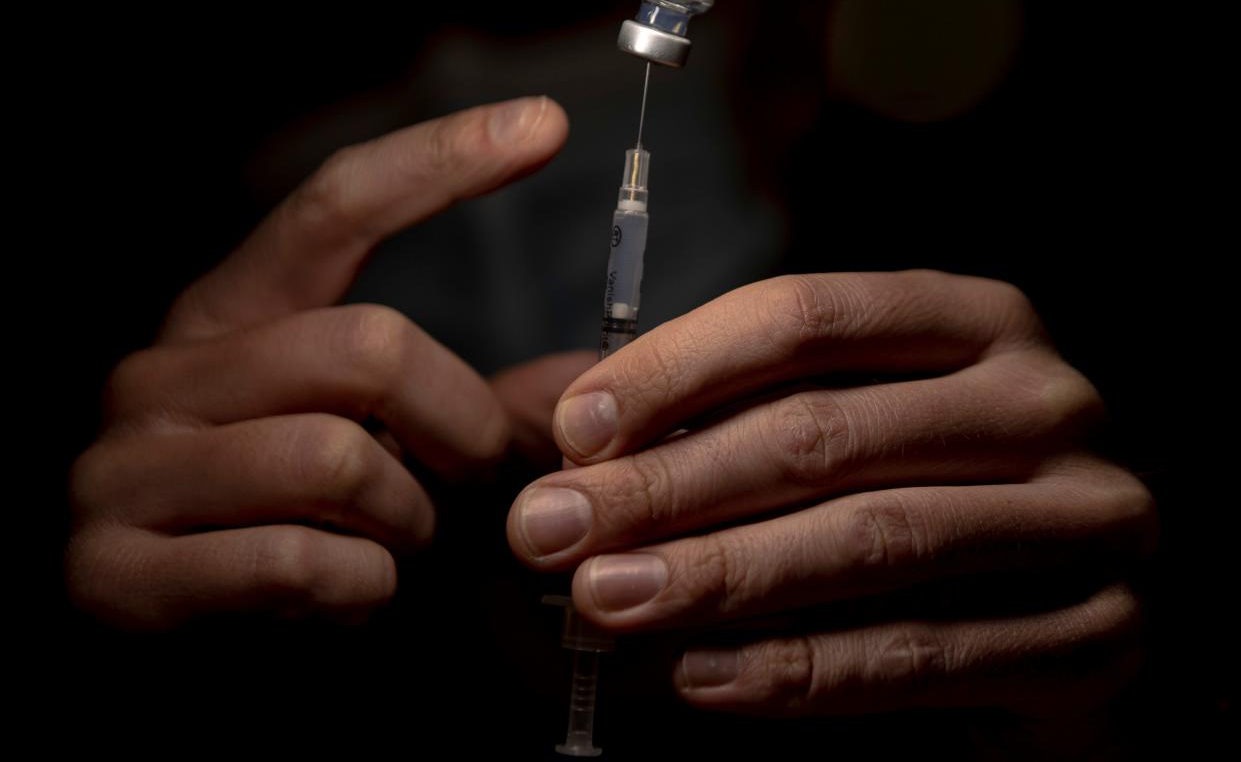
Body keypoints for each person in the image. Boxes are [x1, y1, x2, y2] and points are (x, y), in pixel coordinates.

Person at [64, 95, 1157, 758]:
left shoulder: (978, 438)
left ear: (784, 29)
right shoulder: (275, 588)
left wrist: (1093, 722)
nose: (458, 57)